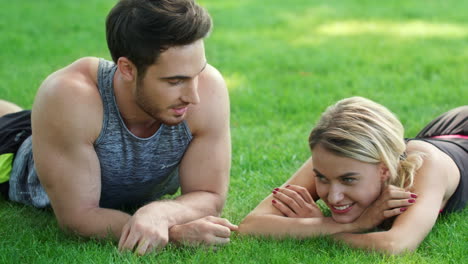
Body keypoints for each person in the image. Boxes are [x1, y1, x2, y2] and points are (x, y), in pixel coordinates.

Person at [0, 0, 237, 255]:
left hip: (64, 131)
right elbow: (78, 217)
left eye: (197, 73)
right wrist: (174, 233)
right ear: (127, 69)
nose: (194, 96)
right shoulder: (70, 97)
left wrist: (162, 211)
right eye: (175, 81)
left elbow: (209, 194)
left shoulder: (208, 88)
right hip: (12, 149)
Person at [239, 96, 467, 255]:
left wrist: (313, 227)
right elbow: (251, 225)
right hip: (441, 133)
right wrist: (353, 224)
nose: (334, 196)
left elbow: (395, 245)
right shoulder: (332, 156)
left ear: (384, 170)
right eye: (321, 178)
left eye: (348, 180)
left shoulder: (425, 168)